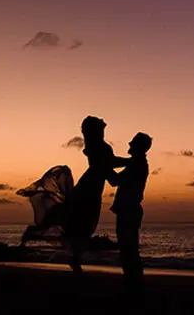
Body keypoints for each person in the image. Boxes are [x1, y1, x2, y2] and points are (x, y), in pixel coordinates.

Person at [62, 116, 129, 273]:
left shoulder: (96, 146)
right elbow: (110, 164)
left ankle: (75, 258)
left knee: (83, 224)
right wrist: (130, 163)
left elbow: (109, 166)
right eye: (101, 129)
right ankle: (75, 259)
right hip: (91, 186)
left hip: (92, 184)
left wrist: (127, 164)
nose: (103, 132)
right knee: (85, 223)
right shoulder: (98, 147)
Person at [109, 132, 152, 296]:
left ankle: (134, 286)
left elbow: (114, 181)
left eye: (132, 142)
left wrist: (101, 166)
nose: (129, 144)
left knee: (128, 249)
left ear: (138, 147)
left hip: (128, 210)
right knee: (129, 249)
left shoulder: (137, 164)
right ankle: (134, 284)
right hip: (130, 210)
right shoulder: (137, 163)